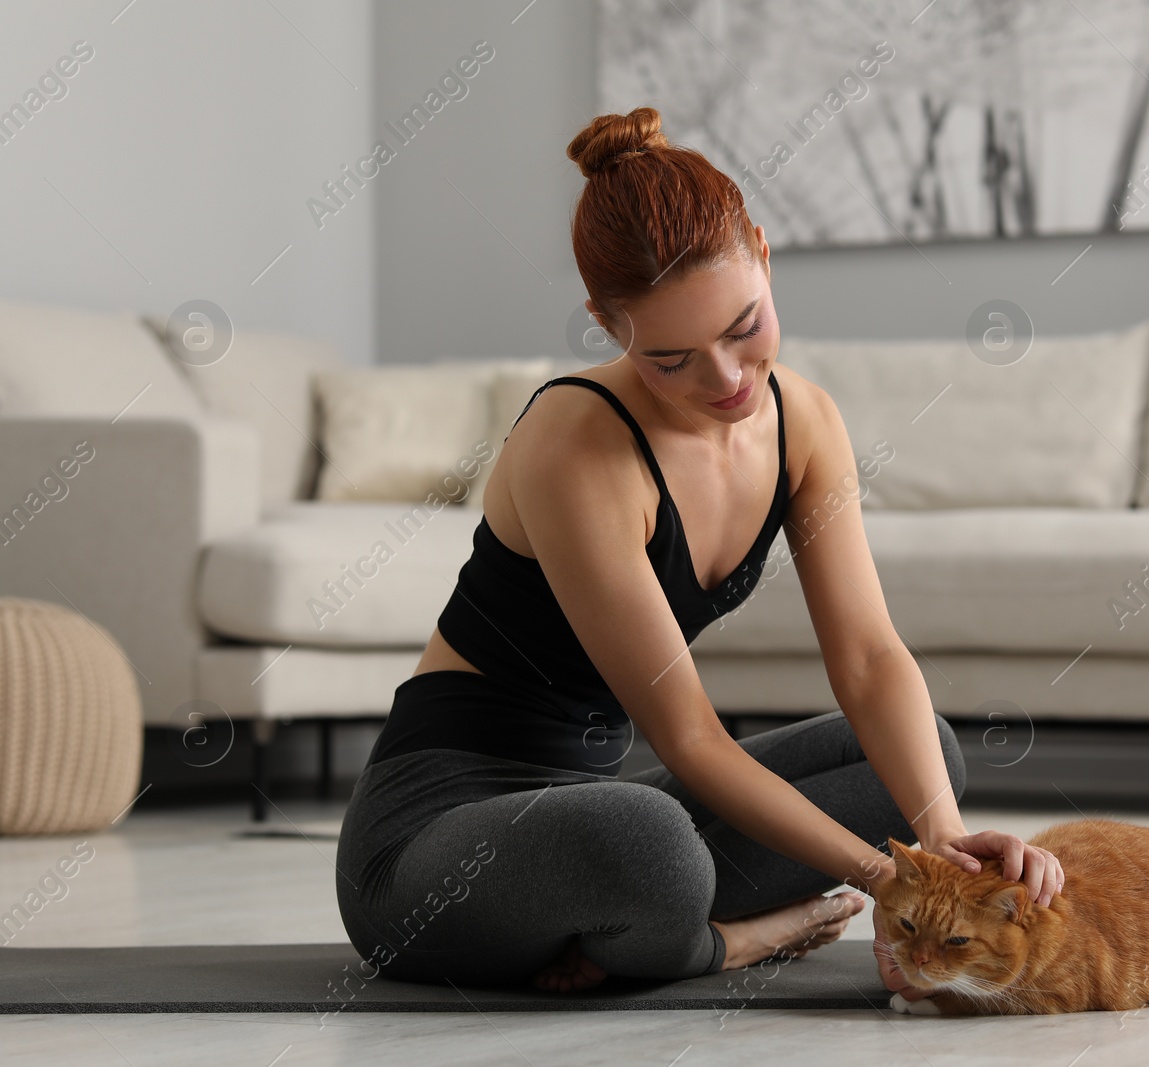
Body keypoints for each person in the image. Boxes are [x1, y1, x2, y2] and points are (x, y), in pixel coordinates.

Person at [334, 106, 1065, 998]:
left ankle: (636, 933)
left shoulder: (808, 421)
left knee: (921, 762)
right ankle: (728, 941)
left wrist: (944, 844)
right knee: (647, 842)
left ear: (761, 250)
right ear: (609, 325)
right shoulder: (576, 442)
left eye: (744, 326)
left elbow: (872, 660)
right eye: (672, 359)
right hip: (433, 843)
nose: (725, 379)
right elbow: (688, 737)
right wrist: (890, 881)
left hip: (601, 809)